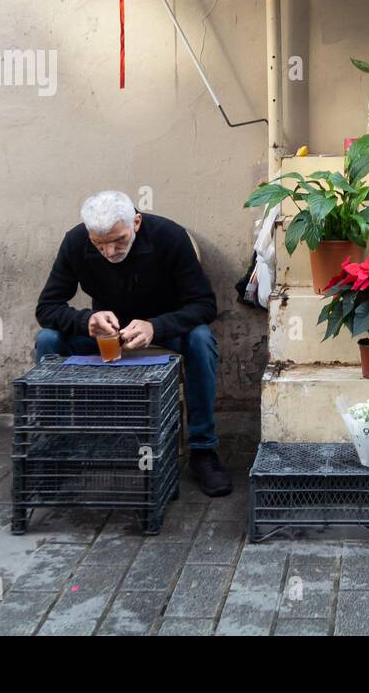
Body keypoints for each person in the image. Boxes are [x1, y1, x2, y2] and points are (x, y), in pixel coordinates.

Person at [34, 190, 232, 497]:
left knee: (201, 338)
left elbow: (204, 305)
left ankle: (203, 450)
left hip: (164, 329)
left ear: (136, 223)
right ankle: (56, 449)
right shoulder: (75, 241)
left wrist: (156, 326)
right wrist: (87, 321)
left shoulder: (169, 236)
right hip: (107, 336)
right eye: (99, 244)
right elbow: (47, 308)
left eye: (119, 240)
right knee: (48, 339)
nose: (109, 251)